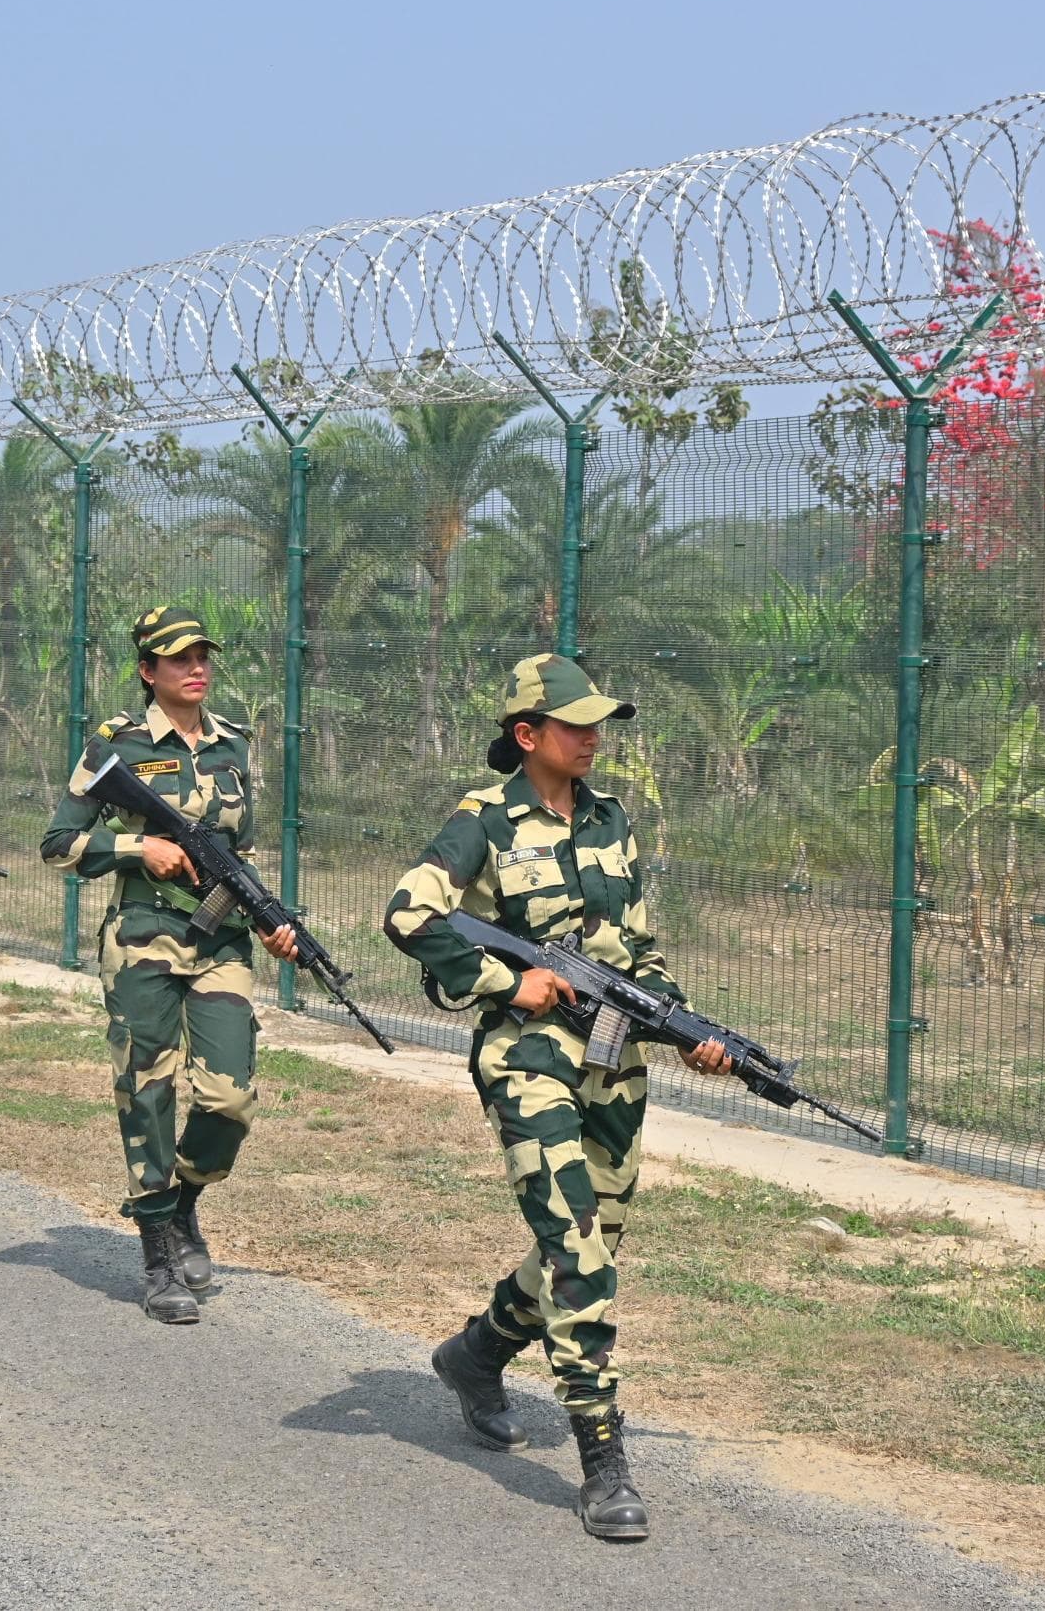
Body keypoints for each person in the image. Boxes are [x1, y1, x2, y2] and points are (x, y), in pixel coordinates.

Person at [383, 653, 730, 1543]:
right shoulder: (484, 820)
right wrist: (506, 982)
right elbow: (409, 914)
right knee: (577, 1252)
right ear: (527, 735)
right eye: (574, 724)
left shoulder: (613, 822)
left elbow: (636, 953)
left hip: (614, 1064)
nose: (592, 738)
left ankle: (479, 1353)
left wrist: (686, 1026)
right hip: (527, 1059)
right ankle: (602, 1457)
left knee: (594, 1242)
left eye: (597, 724)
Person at [41, 606, 298, 1325]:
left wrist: (272, 922)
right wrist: (134, 850)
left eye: (204, 655)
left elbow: (237, 856)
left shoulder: (234, 745)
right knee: (147, 1088)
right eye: (179, 657)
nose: (197, 667)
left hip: (219, 943)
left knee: (229, 1097)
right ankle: (158, 1250)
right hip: (144, 937)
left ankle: (183, 1199)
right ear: (148, 670)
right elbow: (59, 843)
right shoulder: (114, 746)